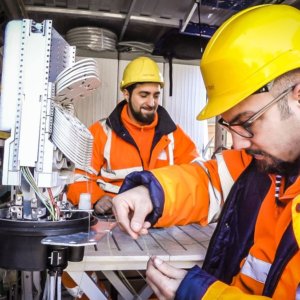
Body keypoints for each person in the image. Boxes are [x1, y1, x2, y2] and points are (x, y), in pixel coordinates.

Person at [112, 4, 300, 299]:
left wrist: (201, 295)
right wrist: (153, 193)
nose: (239, 144)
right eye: (230, 125)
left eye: (248, 121)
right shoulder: (271, 165)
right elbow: (210, 180)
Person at [66, 56, 199, 214]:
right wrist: (97, 199)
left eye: (156, 95)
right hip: (113, 218)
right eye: (143, 95)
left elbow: (196, 177)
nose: (151, 103)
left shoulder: (174, 135)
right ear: (126, 94)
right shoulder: (100, 132)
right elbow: (77, 178)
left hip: (160, 219)